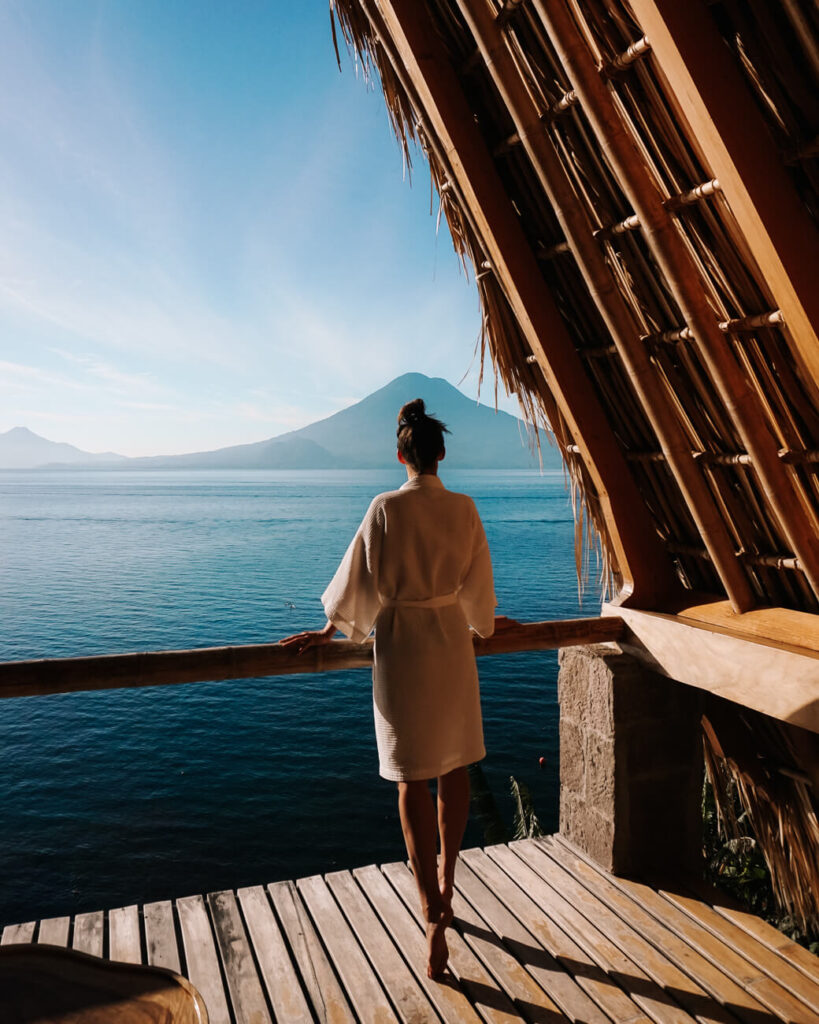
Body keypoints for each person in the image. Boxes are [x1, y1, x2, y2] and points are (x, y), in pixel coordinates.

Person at [280, 398, 511, 978]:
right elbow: (478, 590)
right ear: (440, 454)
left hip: (403, 646)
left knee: (411, 776)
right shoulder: (464, 509)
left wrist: (330, 630)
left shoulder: (384, 508)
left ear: (400, 455)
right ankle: (452, 888)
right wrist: (484, 623)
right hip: (452, 645)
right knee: (455, 766)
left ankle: (428, 903)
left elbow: (357, 582)